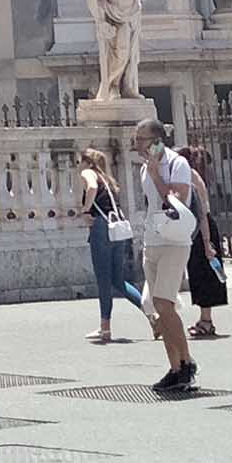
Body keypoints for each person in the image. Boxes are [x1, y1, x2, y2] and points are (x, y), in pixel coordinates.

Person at [132, 121, 200, 395]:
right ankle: (175, 368)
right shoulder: (143, 169)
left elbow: (177, 200)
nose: (137, 144)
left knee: (164, 301)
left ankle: (186, 361)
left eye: (142, 139)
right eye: (136, 139)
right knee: (157, 306)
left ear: (157, 140)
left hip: (174, 241)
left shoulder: (177, 163)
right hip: (153, 239)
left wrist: (158, 175)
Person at [77, 147, 146, 344]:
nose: (78, 166)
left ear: (87, 162)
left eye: (78, 161)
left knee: (104, 279)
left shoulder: (88, 173)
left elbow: (91, 188)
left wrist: (84, 210)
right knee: (118, 279)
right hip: (118, 228)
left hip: (101, 227)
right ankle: (152, 314)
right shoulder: (108, 179)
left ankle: (105, 327)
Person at [179, 141, 228, 338]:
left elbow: (202, 211)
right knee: (197, 272)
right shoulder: (188, 174)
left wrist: (207, 241)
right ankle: (204, 318)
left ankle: (206, 320)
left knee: (204, 272)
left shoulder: (190, 175)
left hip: (202, 227)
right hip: (197, 227)